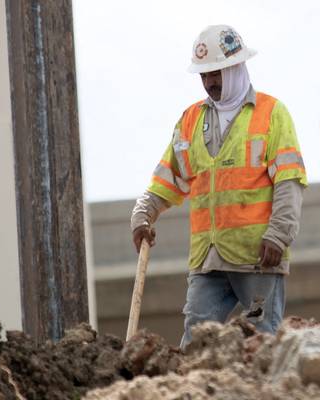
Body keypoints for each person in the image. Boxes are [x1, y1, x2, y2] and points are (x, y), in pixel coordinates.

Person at [130, 25, 307, 347]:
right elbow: (167, 180)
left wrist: (279, 234)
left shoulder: (272, 114)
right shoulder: (190, 120)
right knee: (196, 340)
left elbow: (289, 181)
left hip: (257, 257)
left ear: (237, 67)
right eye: (204, 75)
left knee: (262, 340)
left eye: (217, 73)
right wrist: (142, 215)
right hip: (207, 259)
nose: (210, 82)